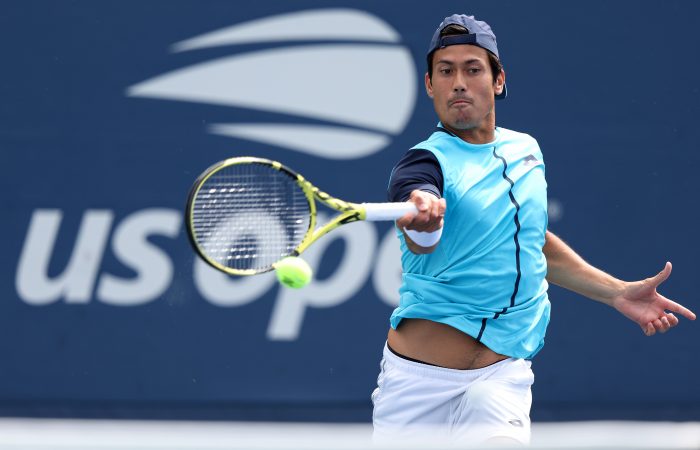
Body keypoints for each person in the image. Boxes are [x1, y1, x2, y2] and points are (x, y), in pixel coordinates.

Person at [371, 13, 696, 446]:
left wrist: (616, 292)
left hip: (501, 379)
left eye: (472, 69)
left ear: (498, 80)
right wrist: (423, 216)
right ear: (430, 85)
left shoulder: (526, 150)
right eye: (445, 72)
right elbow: (420, 228)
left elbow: (529, 240)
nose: (459, 83)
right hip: (417, 388)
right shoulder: (423, 162)